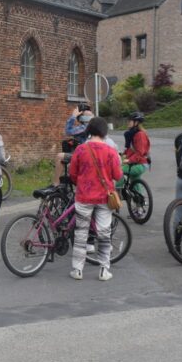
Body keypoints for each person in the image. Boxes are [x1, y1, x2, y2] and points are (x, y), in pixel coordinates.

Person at [68, 117, 123, 281]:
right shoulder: (110, 151)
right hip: (104, 198)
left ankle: (77, 270)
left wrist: (82, 183)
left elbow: (72, 174)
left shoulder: (80, 149)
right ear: (104, 132)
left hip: (84, 196)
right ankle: (104, 270)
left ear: (89, 130)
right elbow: (118, 175)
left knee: (81, 234)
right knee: (104, 234)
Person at [52, 104, 93, 186]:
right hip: (88, 154)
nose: (90, 116)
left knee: (60, 156)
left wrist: (73, 116)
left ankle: (55, 184)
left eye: (90, 115)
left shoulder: (84, 128)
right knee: (63, 157)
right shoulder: (92, 126)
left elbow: (68, 131)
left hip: (84, 155)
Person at [119, 111, 150, 184]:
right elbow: (129, 150)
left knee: (118, 171)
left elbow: (140, 153)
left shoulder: (140, 135)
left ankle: (118, 192)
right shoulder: (132, 134)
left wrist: (129, 160)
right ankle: (137, 195)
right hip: (136, 162)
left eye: (130, 121)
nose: (128, 122)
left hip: (140, 164)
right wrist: (120, 156)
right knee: (134, 183)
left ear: (136, 123)